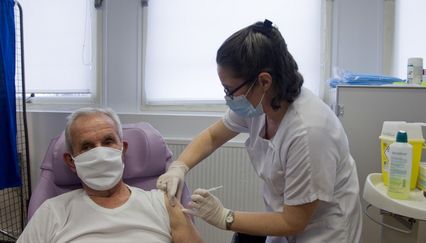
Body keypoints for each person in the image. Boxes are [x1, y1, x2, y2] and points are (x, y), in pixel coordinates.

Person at [157, 20, 362, 242]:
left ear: (263, 81)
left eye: (229, 89)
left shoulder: (309, 132)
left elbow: (294, 221)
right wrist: (179, 166)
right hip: (284, 224)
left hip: (324, 233)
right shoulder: (258, 104)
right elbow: (212, 137)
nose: (228, 98)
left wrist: (224, 217)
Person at [17, 107, 203, 243]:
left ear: (123, 150)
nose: (100, 154)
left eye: (108, 142)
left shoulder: (163, 204)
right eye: (87, 147)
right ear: (71, 162)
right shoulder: (52, 212)